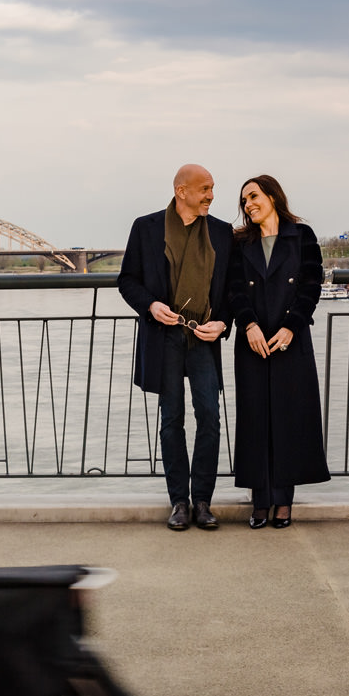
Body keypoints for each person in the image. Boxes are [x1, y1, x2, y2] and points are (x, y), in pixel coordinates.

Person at [117, 164, 235, 532]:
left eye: (213, 188)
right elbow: (127, 281)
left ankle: (203, 501)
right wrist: (151, 305)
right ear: (181, 191)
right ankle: (179, 503)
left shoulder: (221, 232)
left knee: (210, 419)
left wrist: (223, 322)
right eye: (204, 189)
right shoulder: (146, 227)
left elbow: (232, 291)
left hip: (202, 339)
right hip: (163, 338)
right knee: (171, 421)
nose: (211, 195)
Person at [225, 174, 331, 527]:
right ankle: (260, 500)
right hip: (252, 341)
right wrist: (249, 325)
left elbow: (311, 287)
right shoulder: (239, 242)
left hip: (291, 340)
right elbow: (234, 289)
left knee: (289, 419)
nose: (248, 204)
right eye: (244, 200)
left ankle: (283, 502)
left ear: (272, 196)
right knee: (255, 420)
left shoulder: (302, 237)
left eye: (253, 196)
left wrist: (290, 327)